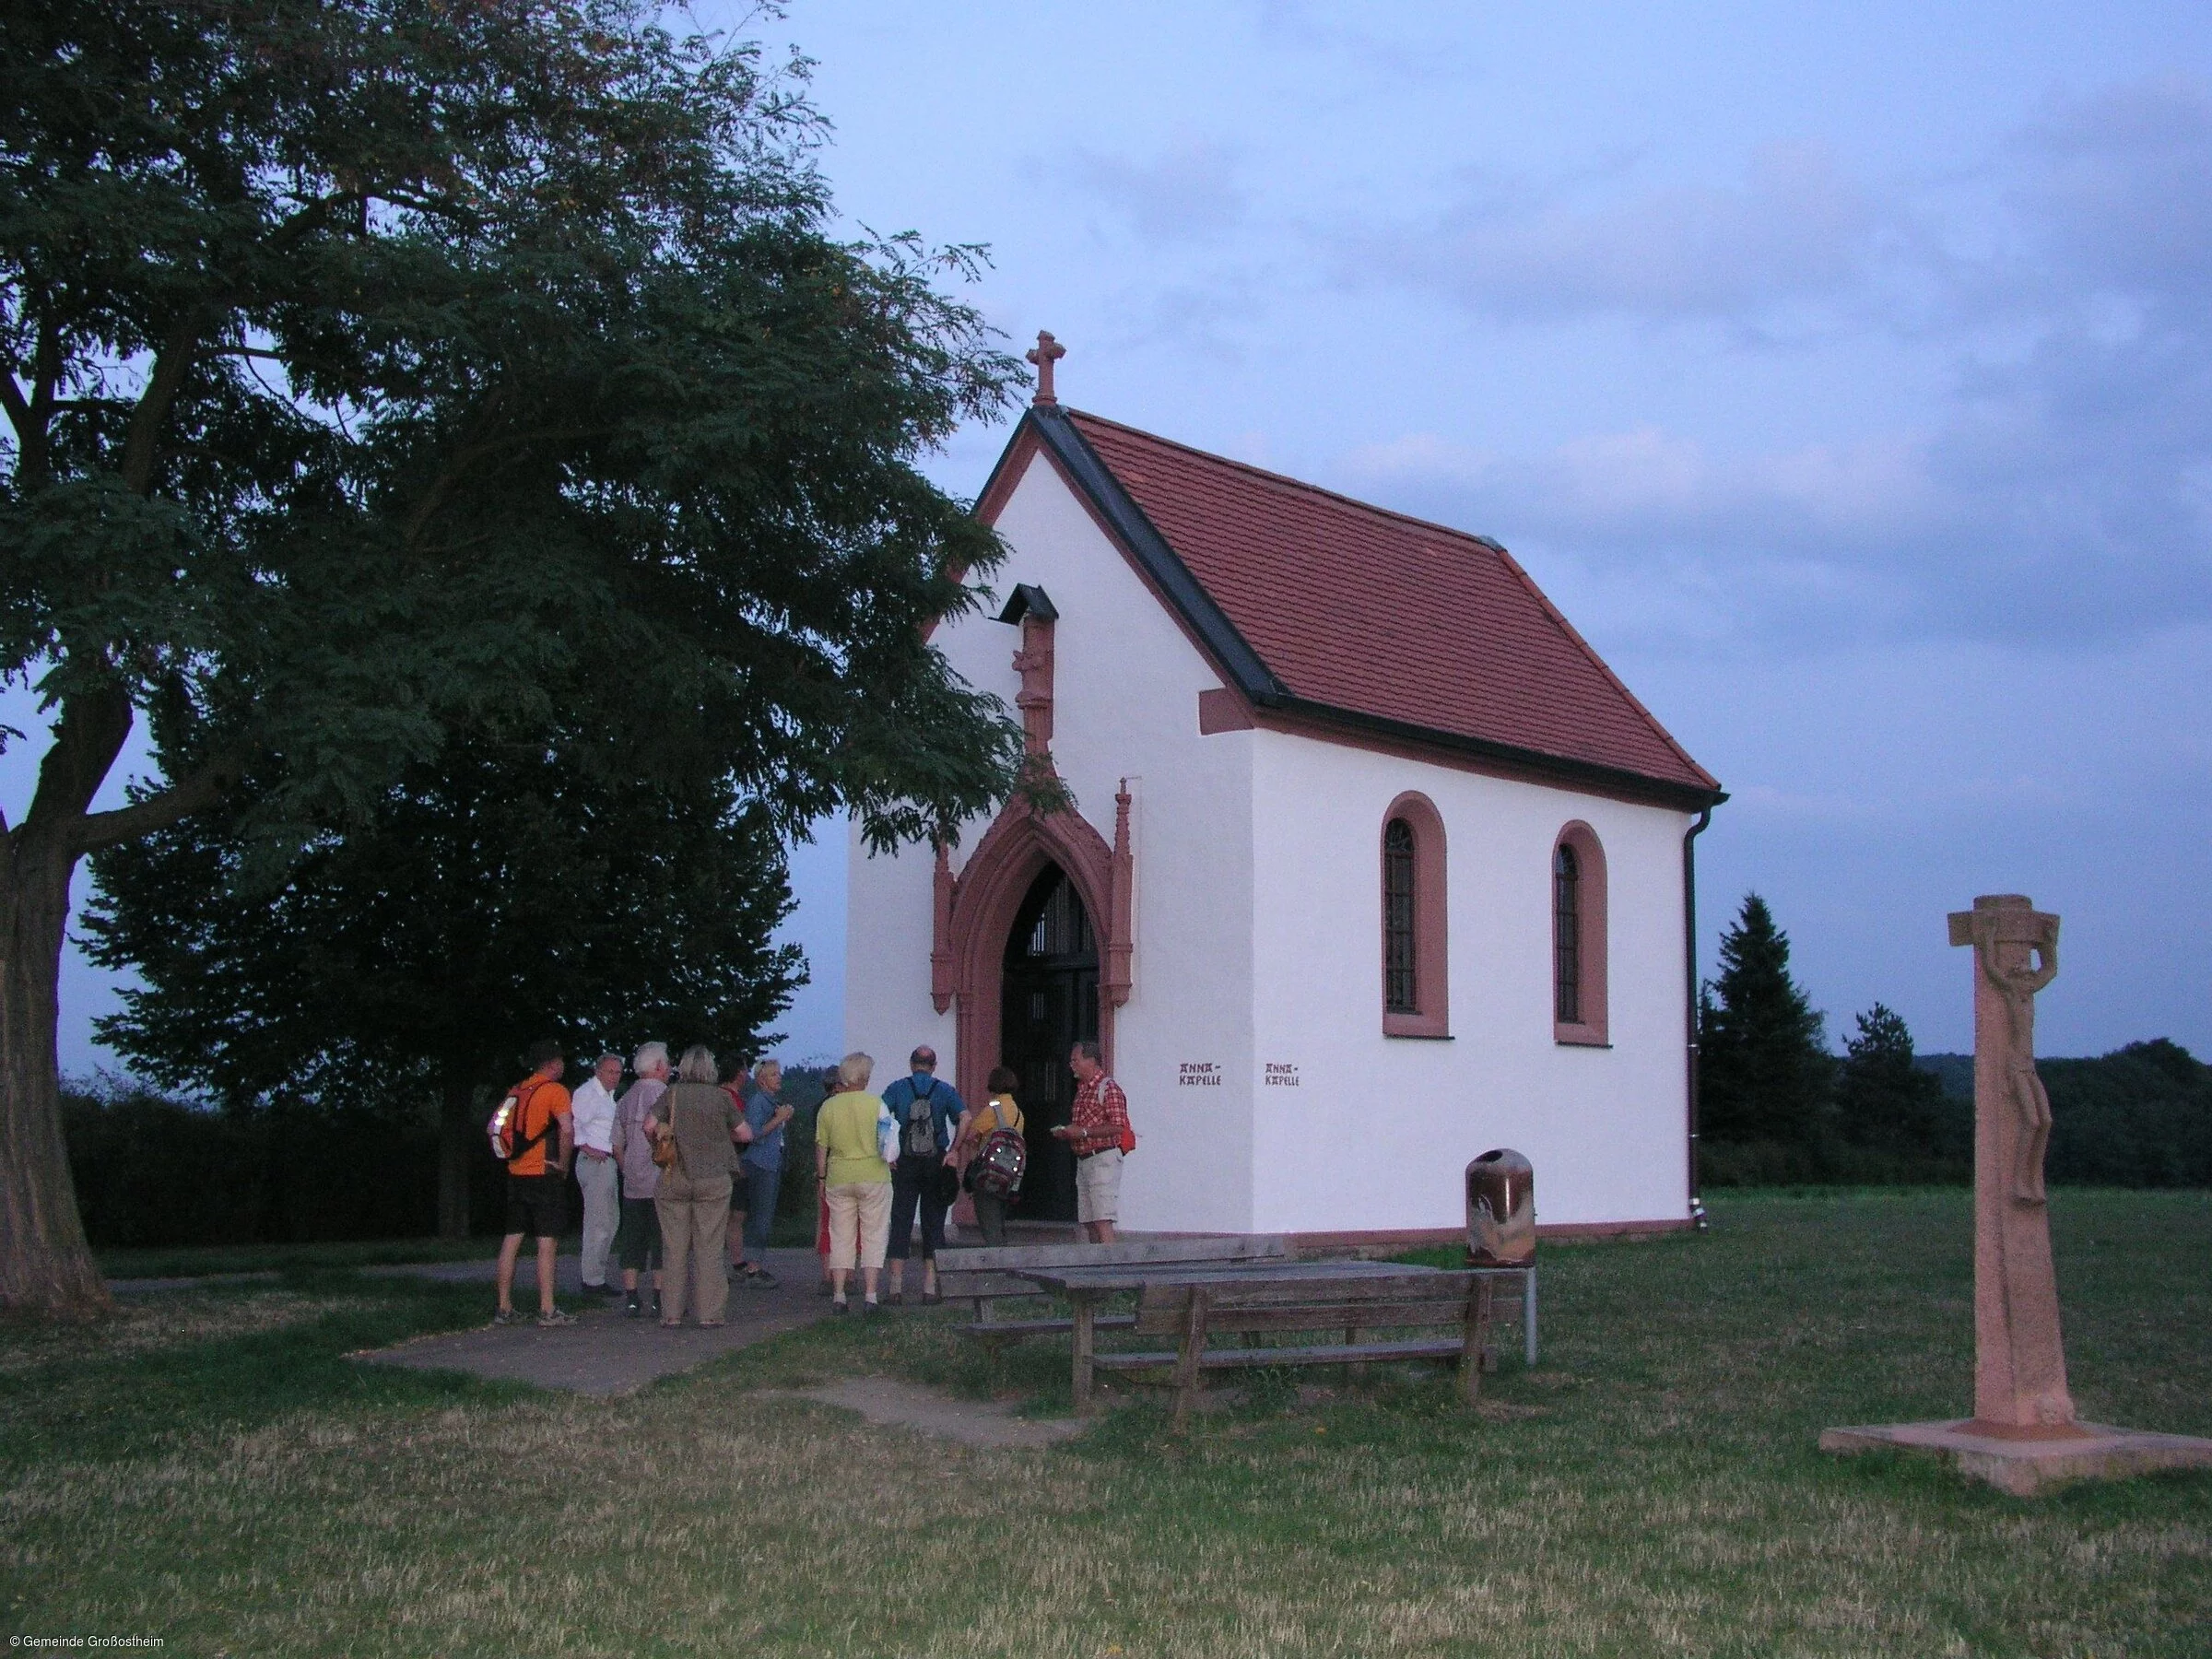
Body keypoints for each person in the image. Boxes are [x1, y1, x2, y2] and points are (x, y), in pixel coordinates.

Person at [647, 1044, 745, 1327]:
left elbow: (648, 1125)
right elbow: (744, 1132)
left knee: (674, 1247)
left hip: (674, 1177)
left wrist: (659, 1146)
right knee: (710, 1245)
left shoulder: (672, 1093)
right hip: (713, 1179)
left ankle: (672, 1313)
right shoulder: (721, 1097)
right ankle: (709, 1313)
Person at [494, 1040, 576, 1325]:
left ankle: (504, 1307)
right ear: (552, 1063)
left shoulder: (516, 1091)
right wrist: (564, 1165)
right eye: (561, 1061)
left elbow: (501, 1127)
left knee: (512, 1239)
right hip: (543, 1173)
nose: (563, 1066)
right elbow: (566, 1129)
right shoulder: (555, 1091)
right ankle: (547, 1309)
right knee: (546, 1242)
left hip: (516, 1173)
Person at [880, 1045, 964, 1304]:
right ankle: (929, 1289)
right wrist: (953, 1150)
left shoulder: (897, 1088)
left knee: (901, 1219)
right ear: (934, 1065)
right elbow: (966, 1117)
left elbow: (881, 1119)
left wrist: (886, 1155)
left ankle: (895, 1289)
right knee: (934, 1222)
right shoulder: (945, 1090)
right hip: (935, 1161)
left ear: (911, 1063)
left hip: (904, 1162)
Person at [815, 1051, 892, 1313]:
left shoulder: (829, 1106)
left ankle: (839, 1295)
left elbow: (821, 1148)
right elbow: (887, 1145)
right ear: (865, 1077)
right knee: (873, 1234)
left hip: (839, 1176)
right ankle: (870, 1296)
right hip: (873, 1175)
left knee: (840, 1235)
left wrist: (822, 1178)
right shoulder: (877, 1105)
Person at [1053, 1039, 1130, 1244]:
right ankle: (1097, 1266)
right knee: (1089, 1221)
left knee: (1102, 1219)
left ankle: (1110, 1269)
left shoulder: (1109, 1088)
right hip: (1085, 1159)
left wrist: (1083, 1133)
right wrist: (1069, 1133)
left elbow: (1118, 1126)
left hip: (1102, 1159)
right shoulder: (1083, 1090)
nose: (1072, 1065)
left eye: (1075, 1060)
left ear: (1092, 1061)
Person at [614, 1041, 670, 1319]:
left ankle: (632, 1297)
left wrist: (627, 1169)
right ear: (659, 1066)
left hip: (633, 1182)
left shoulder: (625, 1099)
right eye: (667, 1063)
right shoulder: (666, 1096)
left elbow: (616, 1144)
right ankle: (660, 1297)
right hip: (662, 1180)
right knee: (661, 1239)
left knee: (632, 1239)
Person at [732, 1058, 794, 1288]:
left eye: (779, 1074)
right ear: (761, 1080)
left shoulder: (771, 1101)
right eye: (773, 1075)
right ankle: (753, 1268)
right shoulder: (759, 1101)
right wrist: (779, 1119)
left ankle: (753, 1264)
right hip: (760, 1164)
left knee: (762, 1215)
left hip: (770, 1163)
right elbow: (754, 1133)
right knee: (761, 1216)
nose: (779, 1078)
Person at [569, 1051, 624, 1298]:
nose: (615, 1077)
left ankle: (595, 1276)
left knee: (610, 1221)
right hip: (596, 1162)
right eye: (611, 1072)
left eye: (618, 1072)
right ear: (598, 1071)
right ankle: (592, 1280)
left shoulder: (608, 1096)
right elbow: (574, 1124)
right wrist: (587, 1147)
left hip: (607, 1161)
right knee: (598, 1222)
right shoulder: (587, 1094)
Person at [954, 1065, 1025, 1247]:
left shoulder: (994, 1108)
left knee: (988, 1217)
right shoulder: (1018, 1112)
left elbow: (972, 1133)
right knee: (1000, 1217)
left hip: (989, 1170)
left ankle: (997, 1261)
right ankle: (1002, 1253)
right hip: (1010, 1172)